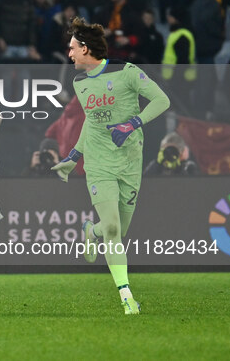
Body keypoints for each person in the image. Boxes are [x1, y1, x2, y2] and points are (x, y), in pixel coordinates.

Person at [51, 17, 170, 315]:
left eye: (72, 48)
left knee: (116, 230)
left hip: (130, 162)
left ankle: (91, 232)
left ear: (86, 48)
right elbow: (92, 124)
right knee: (114, 228)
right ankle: (127, 297)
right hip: (99, 163)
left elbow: (161, 100)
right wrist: (73, 158)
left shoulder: (126, 72)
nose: (69, 54)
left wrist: (133, 123)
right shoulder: (79, 83)